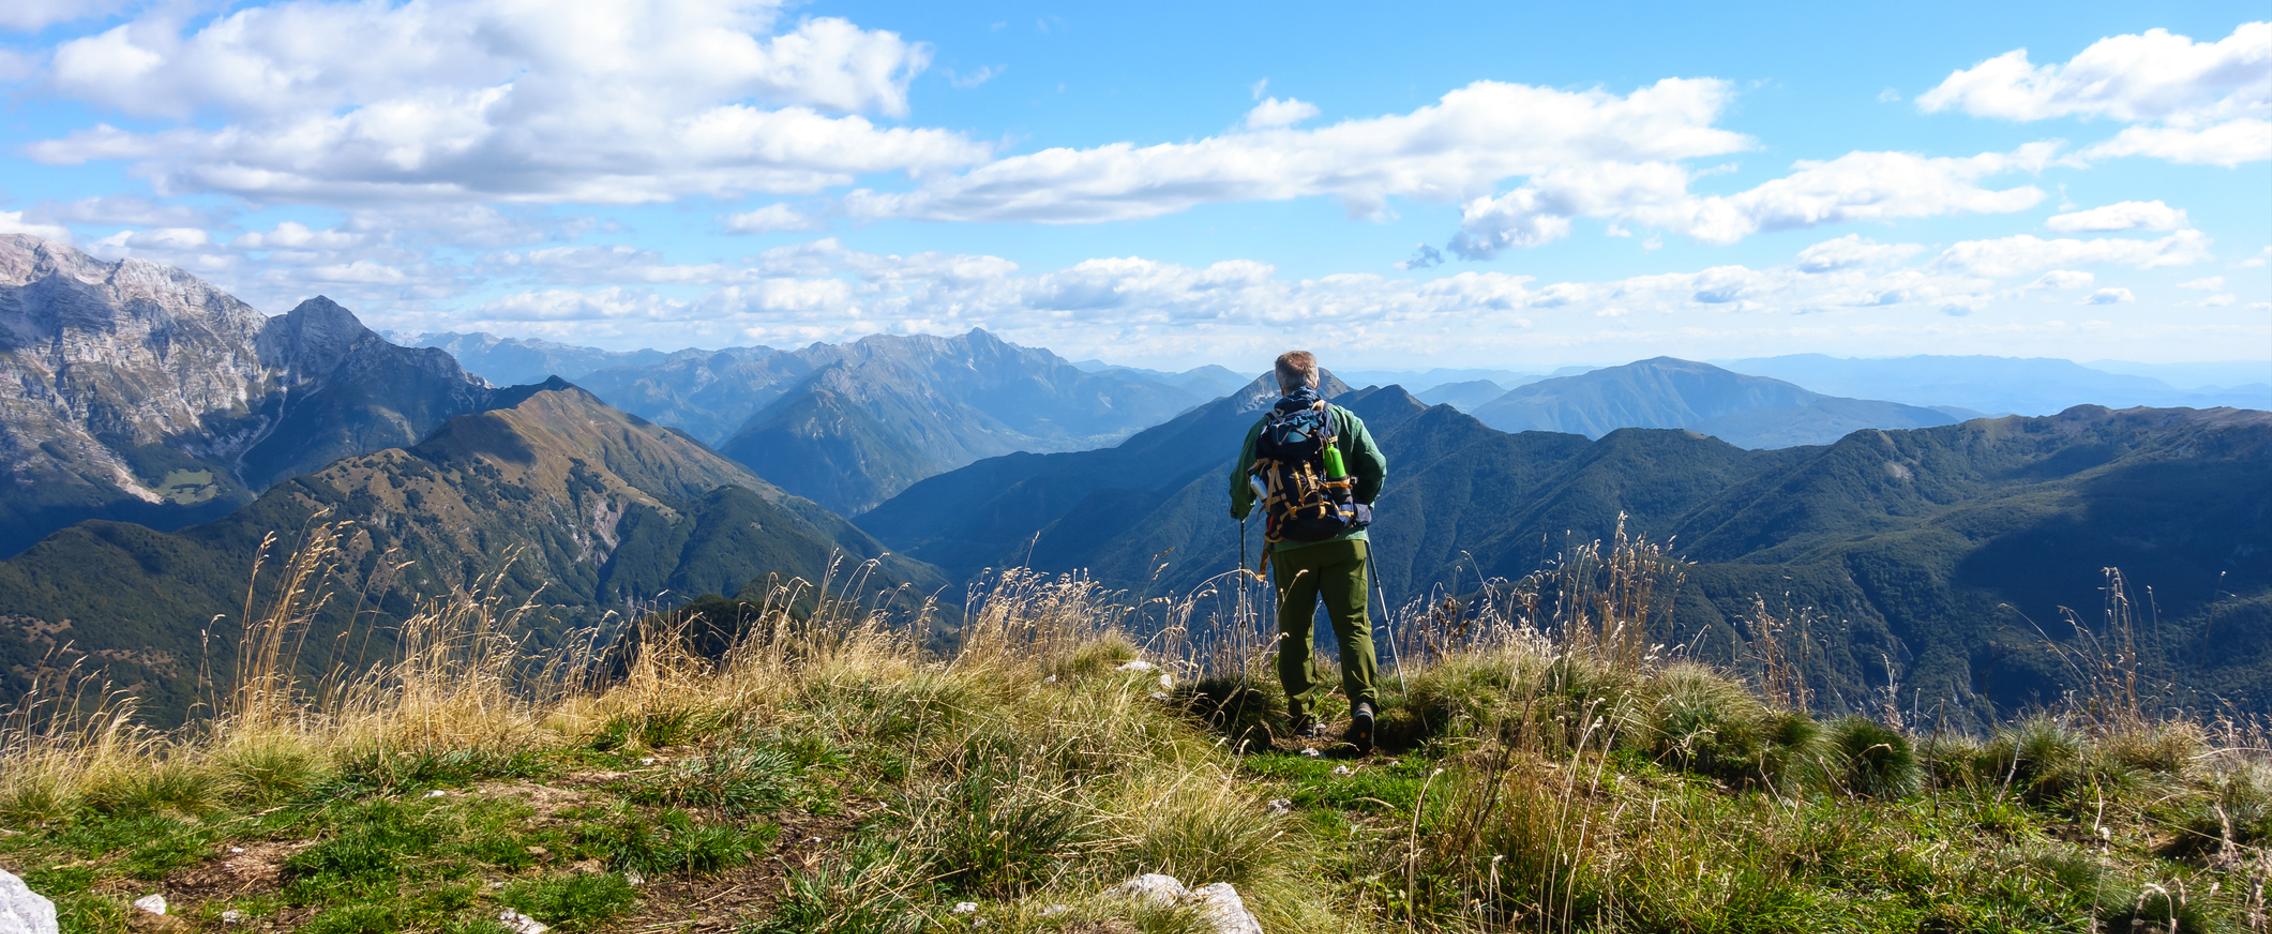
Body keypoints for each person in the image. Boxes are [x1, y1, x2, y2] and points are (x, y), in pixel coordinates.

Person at [1229, 350, 1388, 752]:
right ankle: (1363, 704)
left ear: (1280, 384)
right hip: (1346, 540)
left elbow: (1241, 482)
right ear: (1316, 379)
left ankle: (1302, 715)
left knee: (1295, 630)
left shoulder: (1265, 429)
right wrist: (1359, 505)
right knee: (1353, 625)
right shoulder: (1344, 421)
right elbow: (1376, 466)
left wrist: (1241, 510)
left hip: (1290, 543)